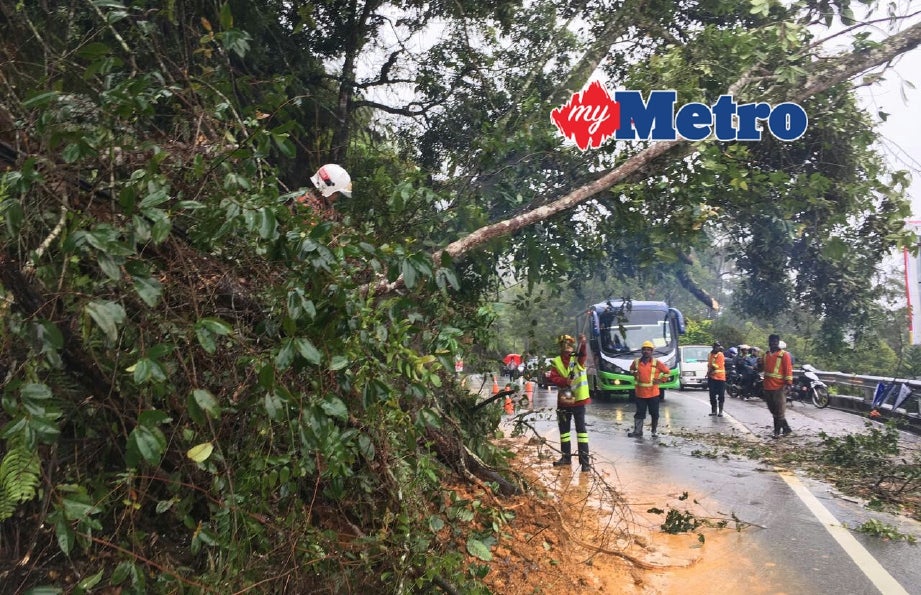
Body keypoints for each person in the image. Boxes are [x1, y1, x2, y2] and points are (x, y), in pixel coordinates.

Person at [547, 334, 592, 472]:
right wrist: (564, 381)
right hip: (564, 401)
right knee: (564, 431)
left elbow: (583, 355)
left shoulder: (576, 358)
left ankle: (585, 462)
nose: (566, 347)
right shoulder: (557, 361)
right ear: (560, 347)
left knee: (581, 431)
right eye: (563, 344)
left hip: (578, 400)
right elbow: (553, 377)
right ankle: (566, 458)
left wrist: (583, 343)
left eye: (569, 344)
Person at [628, 340, 671, 438]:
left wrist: (661, 380)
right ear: (641, 351)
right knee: (639, 414)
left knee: (654, 413)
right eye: (644, 349)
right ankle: (638, 431)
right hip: (640, 394)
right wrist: (634, 373)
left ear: (652, 351)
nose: (646, 351)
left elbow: (667, 372)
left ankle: (654, 431)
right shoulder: (636, 362)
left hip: (653, 394)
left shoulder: (657, 363)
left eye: (648, 350)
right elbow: (631, 369)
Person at [760, 334, 794, 438]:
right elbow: (762, 369)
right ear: (769, 342)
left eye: (776, 341)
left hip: (779, 387)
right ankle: (786, 428)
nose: (774, 343)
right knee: (773, 410)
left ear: (778, 343)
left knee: (779, 411)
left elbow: (788, 369)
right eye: (772, 341)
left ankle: (776, 432)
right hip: (767, 386)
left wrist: (788, 384)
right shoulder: (765, 355)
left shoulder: (784, 355)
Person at [707, 342, 727, 416]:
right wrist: (708, 372)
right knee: (712, 394)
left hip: (720, 378)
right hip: (712, 377)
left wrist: (710, 370)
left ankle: (720, 411)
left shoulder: (720, 355)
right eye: (716, 347)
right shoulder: (710, 355)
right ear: (713, 347)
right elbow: (709, 364)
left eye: (718, 347)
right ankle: (714, 411)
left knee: (721, 395)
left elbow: (716, 366)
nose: (717, 348)